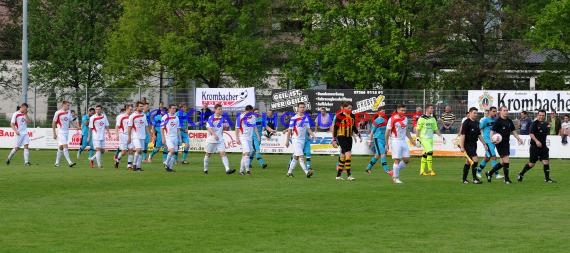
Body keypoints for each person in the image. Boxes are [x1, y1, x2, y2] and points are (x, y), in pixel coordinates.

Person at [485, 106, 523, 184]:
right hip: (500, 144)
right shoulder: (498, 121)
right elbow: (492, 131)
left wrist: (518, 138)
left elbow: (513, 131)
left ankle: (490, 173)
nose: (506, 112)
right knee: (506, 160)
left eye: (507, 110)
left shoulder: (509, 121)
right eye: (504, 110)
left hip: (506, 143)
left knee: (503, 162)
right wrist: (492, 139)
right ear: (500, 112)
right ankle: (506, 179)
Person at [517, 110, 556, 183]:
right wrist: (537, 141)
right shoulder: (534, 124)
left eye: (543, 115)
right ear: (537, 115)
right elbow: (531, 134)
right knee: (532, 164)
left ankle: (547, 179)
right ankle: (521, 173)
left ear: (545, 116)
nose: (541, 117)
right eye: (540, 115)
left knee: (546, 162)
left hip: (543, 147)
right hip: (534, 147)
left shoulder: (546, 123)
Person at [385, 104, 416, 184]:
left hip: (403, 141)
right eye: (402, 110)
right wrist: (387, 143)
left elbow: (406, 130)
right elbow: (387, 132)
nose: (403, 112)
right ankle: (396, 178)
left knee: (406, 160)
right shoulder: (392, 119)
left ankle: (393, 172)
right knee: (397, 160)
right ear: (397, 110)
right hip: (395, 140)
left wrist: (411, 139)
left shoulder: (405, 118)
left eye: (405, 110)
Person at [285, 102, 315, 178]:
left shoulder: (305, 118)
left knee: (296, 157)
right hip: (296, 139)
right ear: (297, 108)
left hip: (302, 140)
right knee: (301, 156)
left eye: (303, 107)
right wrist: (287, 140)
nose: (302, 109)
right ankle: (307, 172)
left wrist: (313, 135)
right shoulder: (293, 118)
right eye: (301, 107)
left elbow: (308, 129)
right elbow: (289, 130)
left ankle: (289, 172)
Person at [333, 102, 361, 181]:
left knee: (343, 156)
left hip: (349, 137)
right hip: (341, 137)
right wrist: (334, 139)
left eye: (351, 108)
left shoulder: (352, 116)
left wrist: (358, 134)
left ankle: (338, 176)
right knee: (348, 154)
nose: (350, 109)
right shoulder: (339, 116)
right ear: (344, 108)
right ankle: (349, 175)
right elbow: (335, 128)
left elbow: (353, 127)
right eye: (348, 108)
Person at [204, 104, 236, 175]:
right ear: (215, 110)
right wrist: (214, 134)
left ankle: (227, 169)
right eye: (219, 109)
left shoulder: (222, 118)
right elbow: (209, 127)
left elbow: (225, 126)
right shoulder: (211, 117)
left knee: (223, 153)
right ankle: (205, 169)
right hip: (211, 139)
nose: (220, 110)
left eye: (221, 109)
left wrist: (227, 127)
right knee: (208, 154)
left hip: (220, 139)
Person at [459, 107, 488, 184]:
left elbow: (479, 135)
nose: (476, 114)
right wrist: (462, 146)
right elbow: (462, 135)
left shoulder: (477, 123)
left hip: (474, 144)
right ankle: (475, 179)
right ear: (470, 113)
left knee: (468, 162)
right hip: (467, 144)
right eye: (474, 113)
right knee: (475, 160)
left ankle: (464, 179)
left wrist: (484, 144)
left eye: (476, 113)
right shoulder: (466, 122)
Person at [416, 104, 444, 176]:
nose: (432, 110)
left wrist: (441, 136)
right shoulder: (421, 118)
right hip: (424, 138)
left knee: (425, 154)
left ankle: (422, 171)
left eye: (433, 108)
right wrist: (417, 138)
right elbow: (418, 129)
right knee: (430, 152)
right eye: (431, 108)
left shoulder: (433, 119)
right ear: (427, 109)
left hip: (430, 139)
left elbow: (435, 129)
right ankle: (430, 170)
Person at [477, 106, 503, 179]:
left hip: (494, 141)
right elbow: (479, 128)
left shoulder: (496, 119)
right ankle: (496, 174)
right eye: (494, 111)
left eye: (496, 111)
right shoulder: (484, 120)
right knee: (493, 157)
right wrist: (483, 138)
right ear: (490, 111)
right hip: (487, 141)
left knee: (487, 158)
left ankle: (478, 171)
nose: (495, 113)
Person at [366, 106, 391, 175]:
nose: (383, 112)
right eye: (382, 111)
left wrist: (390, 136)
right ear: (378, 112)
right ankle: (387, 169)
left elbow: (387, 130)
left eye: (384, 111)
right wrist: (369, 140)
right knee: (383, 153)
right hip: (377, 139)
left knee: (377, 155)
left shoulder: (385, 120)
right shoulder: (376, 121)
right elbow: (372, 132)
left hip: (383, 139)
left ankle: (368, 168)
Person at [235, 105, 260, 175]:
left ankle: (241, 171)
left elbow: (255, 126)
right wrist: (237, 138)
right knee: (247, 152)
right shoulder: (240, 117)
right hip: (243, 137)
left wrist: (258, 136)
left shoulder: (253, 117)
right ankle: (248, 170)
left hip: (250, 138)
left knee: (245, 154)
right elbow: (237, 128)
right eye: (250, 111)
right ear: (246, 110)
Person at [128, 101, 152, 172]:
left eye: (142, 106)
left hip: (142, 136)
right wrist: (129, 137)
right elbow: (129, 127)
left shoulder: (144, 115)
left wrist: (149, 134)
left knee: (140, 152)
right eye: (140, 106)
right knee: (138, 149)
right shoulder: (132, 116)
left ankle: (138, 167)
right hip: (135, 136)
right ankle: (134, 164)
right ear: (137, 107)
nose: (142, 107)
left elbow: (146, 126)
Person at [52, 100, 77, 167]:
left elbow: (71, 121)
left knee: (61, 147)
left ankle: (56, 163)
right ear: (63, 105)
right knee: (65, 146)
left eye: (69, 105)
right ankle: (70, 162)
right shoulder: (58, 113)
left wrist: (77, 127)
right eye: (67, 105)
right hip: (61, 132)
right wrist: (54, 133)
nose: (69, 106)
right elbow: (54, 123)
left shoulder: (69, 112)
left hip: (66, 132)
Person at [162, 104, 182, 172]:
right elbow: (162, 128)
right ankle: (166, 162)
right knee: (172, 151)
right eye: (173, 108)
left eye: (175, 108)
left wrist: (180, 138)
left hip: (175, 137)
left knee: (175, 153)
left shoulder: (176, 117)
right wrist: (163, 138)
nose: (174, 110)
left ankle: (170, 168)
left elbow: (178, 129)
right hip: (168, 137)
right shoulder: (165, 117)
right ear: (169, 109)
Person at [115, 104, 134, 169]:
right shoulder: (121, 116)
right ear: (126, 109)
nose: (131, 111)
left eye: (132, 109)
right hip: (123, 135)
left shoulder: (132, 117)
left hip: (131, 135)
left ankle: (129, 165)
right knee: (123, 152)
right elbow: (117, 126)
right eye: (130, 109)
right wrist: (117, 134)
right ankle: (117, 159)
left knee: (131, 150)